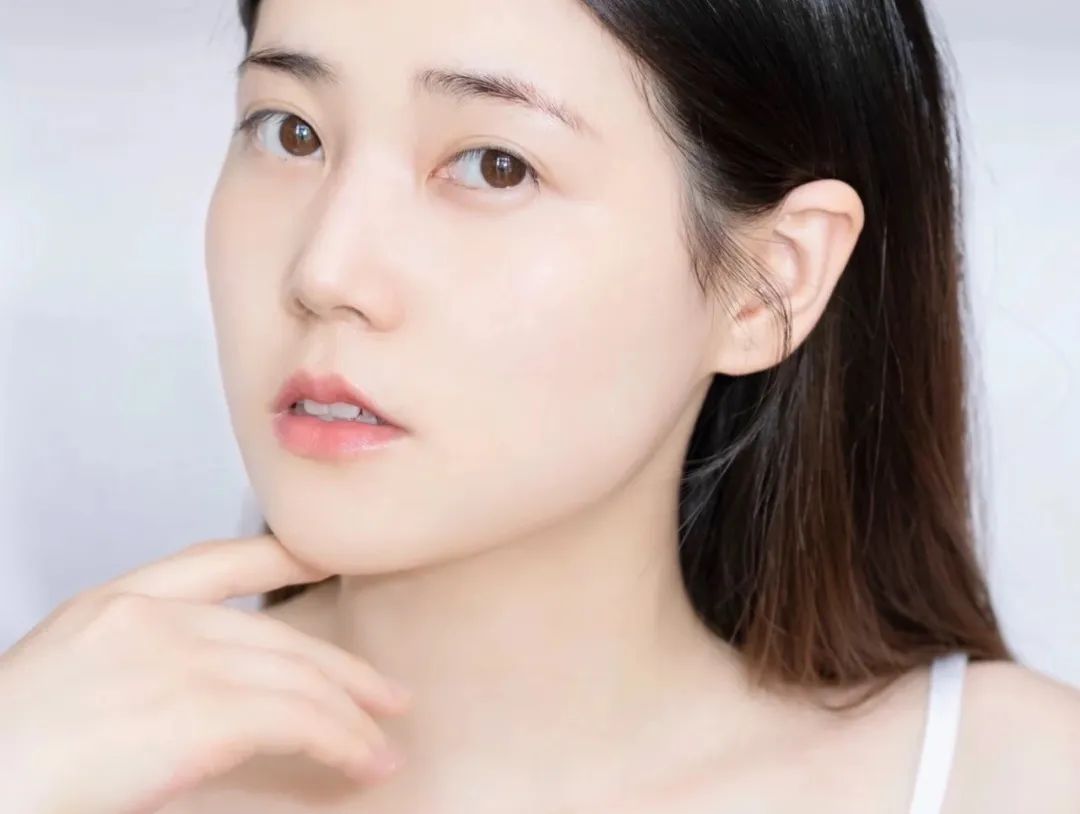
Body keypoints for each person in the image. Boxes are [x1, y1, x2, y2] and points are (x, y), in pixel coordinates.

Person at [2, 0, 1078, 811]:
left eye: (494, 164)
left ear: (769, 284)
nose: (325, 270)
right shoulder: (59, 764)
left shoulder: (1012, 781)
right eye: (289, 131)